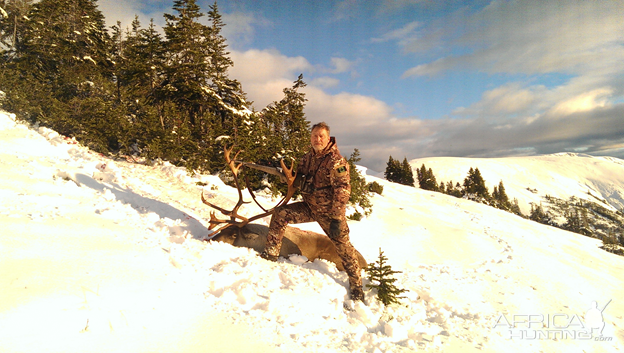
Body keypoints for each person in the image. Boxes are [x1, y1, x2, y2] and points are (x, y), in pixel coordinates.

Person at [260, 122, 364, 301]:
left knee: (344, 248)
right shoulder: (307, 158)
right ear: (310, 138)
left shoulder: (336, 161)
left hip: (330, 214)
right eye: (315, 135)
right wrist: (274, 167)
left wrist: (337, 219)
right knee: (280, 214)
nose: (318, 139)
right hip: (309, 208)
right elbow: (297, 176)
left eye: (321, 136)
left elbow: (343, 190)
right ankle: (270, 253)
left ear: (328, 138)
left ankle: (356, 286)